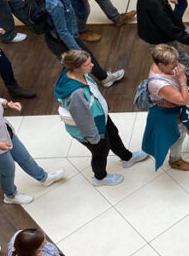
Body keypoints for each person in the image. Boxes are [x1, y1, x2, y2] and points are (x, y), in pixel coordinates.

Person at [0, 74, 65, 205]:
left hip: (7, 134)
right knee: (8, 172)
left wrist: (8, 104)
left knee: (25, 158)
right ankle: (10, 195)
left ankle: (44, 178)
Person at [55, 49, 148, 186]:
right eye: (87, 64)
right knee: (100, 152)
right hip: (91, 130)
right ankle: (100, 177)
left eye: (90, 61)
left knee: (114, 135)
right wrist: (94, 139)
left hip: (99, 119)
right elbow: (83, 120)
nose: (92, 65)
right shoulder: (76, 93)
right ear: (76, 68)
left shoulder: (78, 74)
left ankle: (127, 157)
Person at [139, 44, 189, 172]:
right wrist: (182, 78)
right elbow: (184, 99)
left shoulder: (163, 67)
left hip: (179, 108)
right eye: (172, 63)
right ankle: (175, 160)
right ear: (160, 65)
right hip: (170, 113)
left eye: (176, 61)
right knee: (178, 135)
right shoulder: (158, 84)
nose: (177, 65)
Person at [42, 0, 124, 87]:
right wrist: (77, 48)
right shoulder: (55, 4)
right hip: (61, 40)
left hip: (64, 36)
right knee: (80, 60)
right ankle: (99, 81)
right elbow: (62, 31)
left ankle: (102, 78)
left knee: (79, 61)